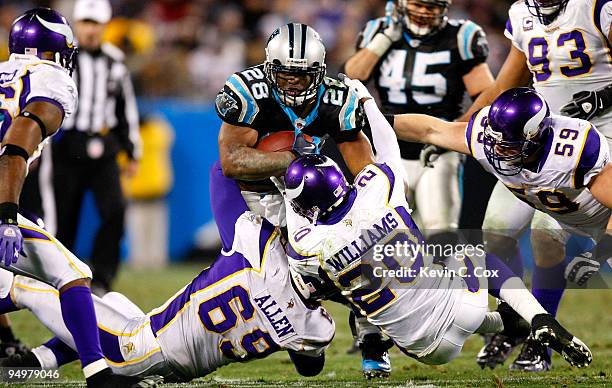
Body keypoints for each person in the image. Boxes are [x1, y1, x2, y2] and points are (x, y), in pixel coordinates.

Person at [277, 76, 592, 369]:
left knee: (378, 294)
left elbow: (298, 222)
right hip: (462, 310)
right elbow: (387, 146)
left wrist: (284, 185)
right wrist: (366, 102)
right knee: (471, 257)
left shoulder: (307, 247)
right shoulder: (376, 193)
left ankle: (499, 325)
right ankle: (539, 318)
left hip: (419, 349)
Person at [0, 161, 335, 383]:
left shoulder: (258, 247)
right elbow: (310, 366)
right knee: (114, 300)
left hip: (136, 350)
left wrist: (279, 172)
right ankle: (38, 361)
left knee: (42, 285)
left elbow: (222, 170)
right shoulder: (318, 329)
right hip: (169, 366)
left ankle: (11, 291)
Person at [447, 0, 612, 371]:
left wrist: (602, 98)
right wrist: (462, 126)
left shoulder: (598, 8)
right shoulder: (523, 13)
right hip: (536, 145)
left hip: (600, 140)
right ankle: (518, 322)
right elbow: (507, 84)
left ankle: (543, 342)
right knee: (494, 235)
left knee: (545, 233)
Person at [215, 22, 387, 375]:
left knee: (356, 256)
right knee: (272, 283)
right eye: (285, 74)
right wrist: (291, 158)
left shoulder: (336, 100)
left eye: (303, 75)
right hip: (251, 191)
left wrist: (363, 216)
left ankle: (370, 332)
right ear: (268, 67)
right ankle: (298, 328)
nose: (293, 82)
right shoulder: (248, 92)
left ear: (319, 72)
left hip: (309, 191)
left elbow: (365, 172)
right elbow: (232, 163)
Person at [0, 7, 158, 388]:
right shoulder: (52, 82)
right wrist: (6, 218)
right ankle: (97, 374)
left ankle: (19, 357)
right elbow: (14, 147)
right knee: (73, 277)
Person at [344, 0, 494, 248]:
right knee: (384, 231)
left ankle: (445, 285)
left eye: (432, 6)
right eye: (418, 4)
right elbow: (352, 77)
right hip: (388, 147)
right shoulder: (379, 30)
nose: (424, 12)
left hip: (436, 149)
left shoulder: (460, 36)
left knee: (441, 232)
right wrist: (384, 40)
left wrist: (454, 132)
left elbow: (487, 96)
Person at [46, 0, 141, 295]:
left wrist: (132, 149)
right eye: (86, 22)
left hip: (104, 144)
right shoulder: (61, 58)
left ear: (105, 25)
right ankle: (59, 277)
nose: (90, 29)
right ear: (77, 23)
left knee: (115, 209)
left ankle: (102, 278)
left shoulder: (115, 61)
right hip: (66, 146)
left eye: (95, 23)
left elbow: (127, 107)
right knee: (63, 217)